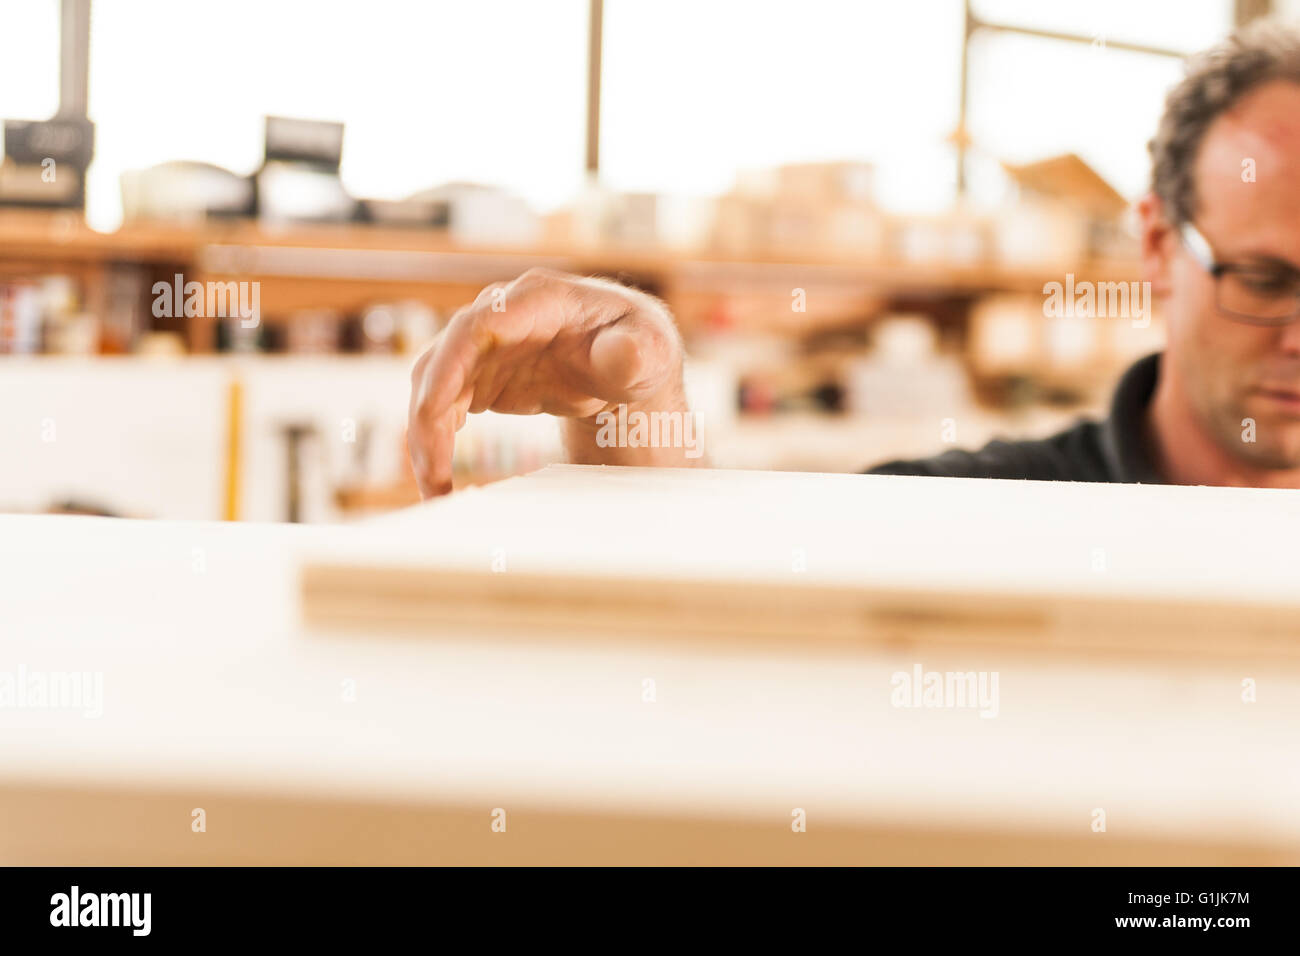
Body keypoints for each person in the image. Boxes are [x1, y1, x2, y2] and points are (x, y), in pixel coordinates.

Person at [408, 21, 1300, 497]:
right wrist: (633, 406)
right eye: (1266, 279)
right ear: (1154, 246)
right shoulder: (1000, 513)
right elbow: (736, 614)